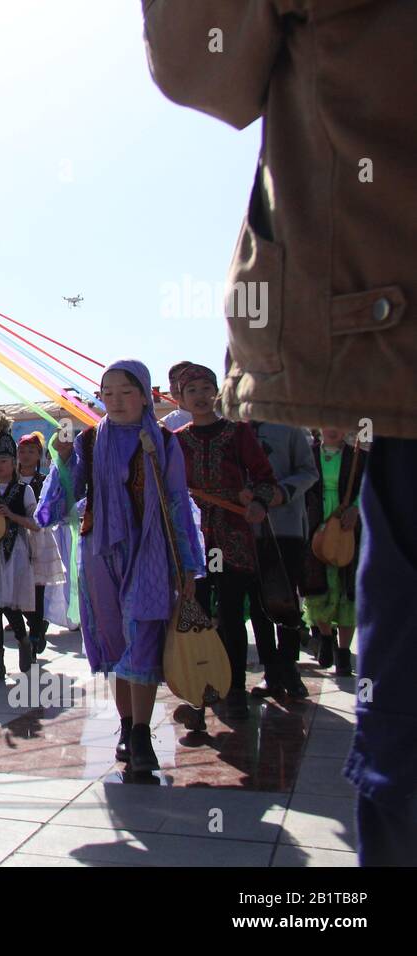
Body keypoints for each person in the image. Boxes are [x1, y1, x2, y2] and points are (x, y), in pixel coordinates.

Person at [141, 0, 417, 865]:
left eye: (192, 382)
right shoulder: (170, 440)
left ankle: (279, 675)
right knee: (221, 616)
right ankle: (220, 693)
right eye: (183, 383)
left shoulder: (264, 428)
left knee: (281, 617)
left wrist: (272, 499)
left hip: (273, 515)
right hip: (208, 536)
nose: (190, 389)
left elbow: (199, 67)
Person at [36, 359, 206, 773]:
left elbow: (178, 504)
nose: (115, 400)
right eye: (107, 393)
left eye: (125, 392)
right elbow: (61, 504)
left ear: (145, 395)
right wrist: (61, 459)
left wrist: (187, 565)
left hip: (150, 555)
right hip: (99, 555)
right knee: (114, 643)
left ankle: (143, 734)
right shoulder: (90, 442)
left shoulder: (163, 442)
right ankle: (127, 727)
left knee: (144, 636)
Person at [175, 363, 279, 719]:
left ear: (216, 392)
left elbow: (267, 478)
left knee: (232, 611)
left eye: (206, 388)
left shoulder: (238, 433)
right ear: (181, 398)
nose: (201, 396)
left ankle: (233, 685)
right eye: (192, 391)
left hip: (232, 531)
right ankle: (200, 682)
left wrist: (258, 501)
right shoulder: (178, 441)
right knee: (198, 611)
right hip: (196, 535)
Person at [248, 421, 318, 699]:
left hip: (286, 525)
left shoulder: (290, 428)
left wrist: (283, 491)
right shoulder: (232, 429)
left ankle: (289, 665)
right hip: (247, 529)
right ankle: (271, 671)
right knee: (258, 603)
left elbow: (308, 471)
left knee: (287, 600)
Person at [0, 419, 41, 681]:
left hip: (14, 554)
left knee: (9, 605)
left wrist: (11, 515)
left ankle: (23, 641)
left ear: (13, 463)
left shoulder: (23, 491)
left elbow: (35, 524)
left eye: (3, 461)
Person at [302, 426, 365, 680]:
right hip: (315, 526)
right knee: (317, 587)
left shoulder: (359, 456)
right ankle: (326, 636)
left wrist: (356, 508)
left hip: (347, 530)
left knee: (346, 589)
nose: (333, 429)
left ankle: (343, 654)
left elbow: (369, 487)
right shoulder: (307, 455)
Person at [17, 430, 64, 654]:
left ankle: (36, 631)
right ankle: (35, 624)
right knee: (16, 587)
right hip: (15, 539)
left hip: (38, 539)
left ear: (39, 455)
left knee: (37, 589)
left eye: (31, 451)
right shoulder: (9, 480)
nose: (25, 455)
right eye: (22, 451)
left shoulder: (44, 482)